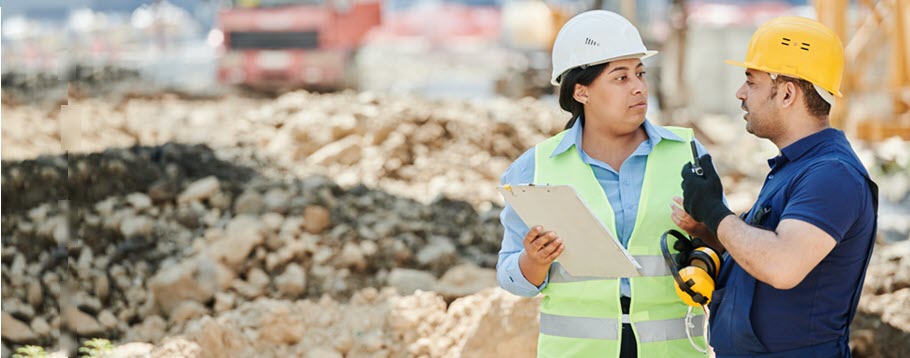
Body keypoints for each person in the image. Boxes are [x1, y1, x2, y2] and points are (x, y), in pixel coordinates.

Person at [496, 10, 711, 358]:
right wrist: (533, 261)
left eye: (640, 73)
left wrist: (704, 232)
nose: (639, 86)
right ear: (582, 91)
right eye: (620, 77)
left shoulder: (687, 153)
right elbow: (510, 276)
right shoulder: (534, 168)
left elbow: (726, 245)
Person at [677, 16, 879, 357]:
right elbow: (763, 258)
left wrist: (716, 212)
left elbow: (782, 265)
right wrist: (710, 236)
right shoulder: (796, 168)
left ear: (787, 93)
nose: (740, 93)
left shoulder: (832, 175)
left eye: (751, 82)